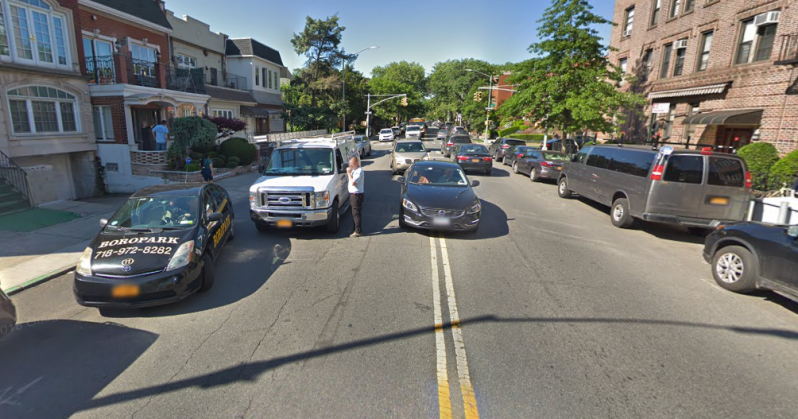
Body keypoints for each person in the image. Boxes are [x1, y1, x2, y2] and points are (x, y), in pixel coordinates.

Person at [346, 156, 364, 237]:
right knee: (353, 213)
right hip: (353, 194)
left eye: (352, 164)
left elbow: (354, 183)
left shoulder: (359, 171)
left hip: (356, 195)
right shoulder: (354, 170)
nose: (350, 166)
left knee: (356, 213)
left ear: (357, 163)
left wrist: (349, 173)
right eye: (350, 164)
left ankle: (358, 231)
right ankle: (355, 228)